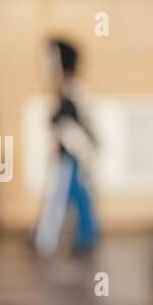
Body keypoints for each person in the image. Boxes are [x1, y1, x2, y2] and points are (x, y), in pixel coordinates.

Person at [33, 37, 101, 257]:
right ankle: (60, 238)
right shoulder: (66, 91)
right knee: (73, 196)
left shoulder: (75, 91)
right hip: (69, 152)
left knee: (71, 196)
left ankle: (73, 238)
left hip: (76, 152)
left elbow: (74, 121)